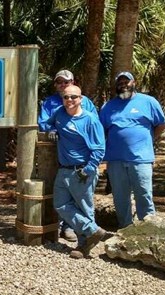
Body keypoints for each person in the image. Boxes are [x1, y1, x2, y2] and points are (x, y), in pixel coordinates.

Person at [38, 69, 99, 243]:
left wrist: (90, 166)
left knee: (82, 201)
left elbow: (95, 134)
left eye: (67, 82)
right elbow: (44, 122)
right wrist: (51, 129)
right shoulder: (52, 104)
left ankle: (82, 236)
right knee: (62, 199)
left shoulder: (86, 105)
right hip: (55, 156)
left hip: (82, 161)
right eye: (59, 82)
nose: (63, 86)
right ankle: (81, 230)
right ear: (56, 85)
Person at [99, 71, 165, 228]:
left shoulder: (149, 102)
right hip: (115, 160)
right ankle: (126, 230)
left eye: (126, 82)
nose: (123, 85)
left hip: (141, 159)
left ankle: (148, 230)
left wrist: (146, 140)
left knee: (144, 194)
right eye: (120, 83)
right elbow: (101, 130)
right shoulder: (108, 107)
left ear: (134, 82)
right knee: (120, 198)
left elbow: (161, 125)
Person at [47, 85, 106, 259]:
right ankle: (92, 230)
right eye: (66, 97)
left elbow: (99, 149)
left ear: (81, 99)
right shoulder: (59, 113)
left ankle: (84, 246)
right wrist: (52, 129)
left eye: (73, 97)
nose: (69, 100)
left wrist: (88, 170)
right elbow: (46, 122)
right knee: (60, 204)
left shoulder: (90, 120)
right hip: (64, 170)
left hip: (82, 171)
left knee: (84, 208)